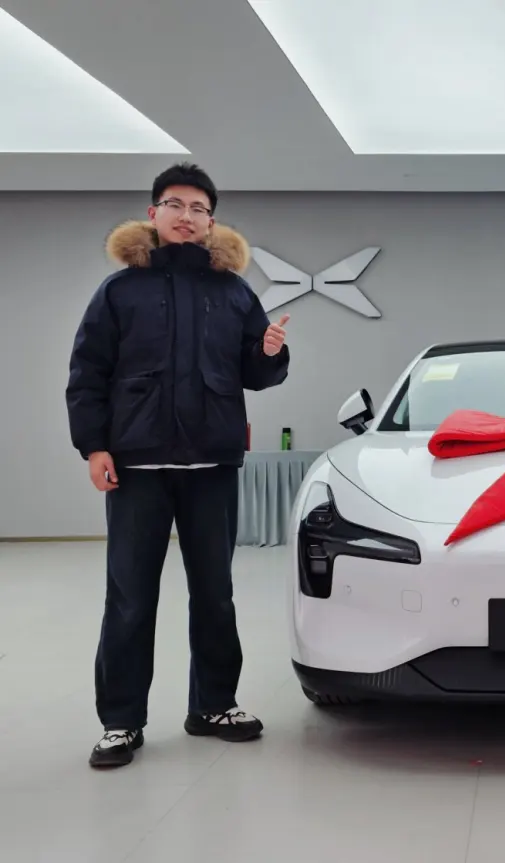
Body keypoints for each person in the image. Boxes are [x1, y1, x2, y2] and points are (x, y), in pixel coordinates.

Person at [65, 163, 291, 768]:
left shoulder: (233, 291)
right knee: (129, 596)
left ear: (211, 221)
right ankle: (120, 722)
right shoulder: (120, 291)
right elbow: (88, 372)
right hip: (137, 466)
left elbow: (256, 373)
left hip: (211, 463)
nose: (186, 216)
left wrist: (270, 352)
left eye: (198, 208)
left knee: (215, 593)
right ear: (154, 213)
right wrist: (95, 446)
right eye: (175, 204)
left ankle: (213, 705)